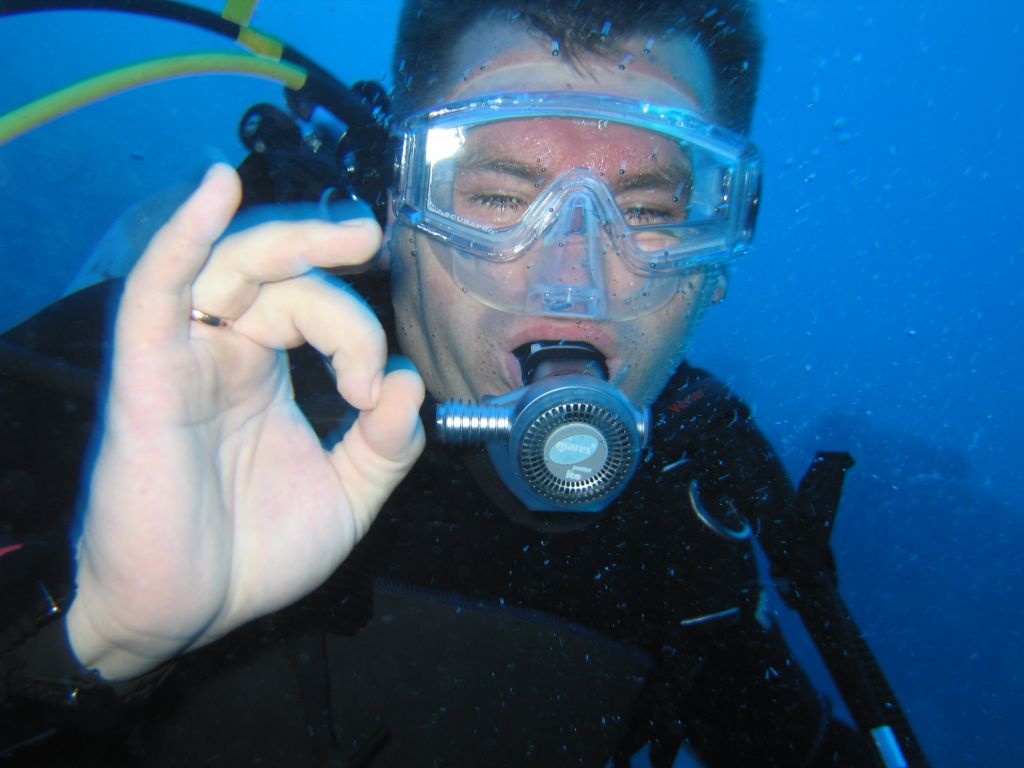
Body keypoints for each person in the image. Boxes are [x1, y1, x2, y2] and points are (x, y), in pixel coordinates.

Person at [0, 1, 888, 765]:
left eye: (648, 211)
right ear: (396, 205)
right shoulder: (162, 382)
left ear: (716, 261)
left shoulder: (690, 519)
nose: (572, 276)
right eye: (501, 198)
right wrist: (94, 636)